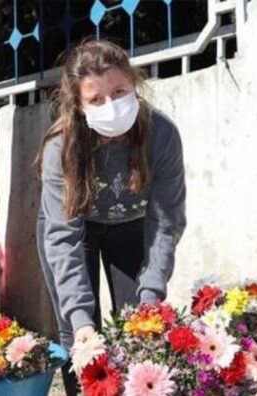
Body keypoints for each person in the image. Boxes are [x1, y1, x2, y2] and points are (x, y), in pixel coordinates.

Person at [36, 39, 187, 395]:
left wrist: (151, 294)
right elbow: (63, 238)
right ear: (79, 105)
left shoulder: (161, 135)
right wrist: (80, 318)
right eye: (96, 100)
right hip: (74, 231)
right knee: (82, 335)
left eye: (119, 91)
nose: (112, 106)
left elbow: (166, 222)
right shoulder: (62, 146)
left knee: (137, 328)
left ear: (134, 84)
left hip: (132, 227)